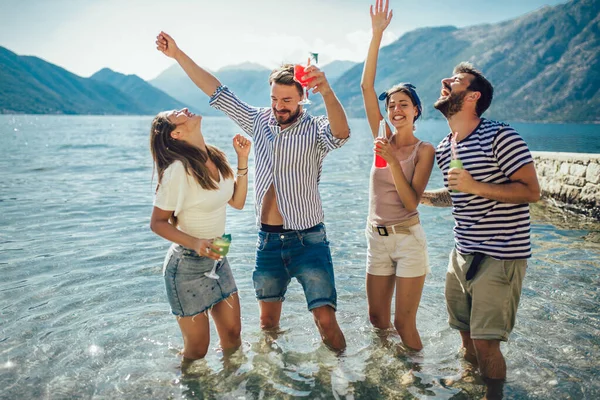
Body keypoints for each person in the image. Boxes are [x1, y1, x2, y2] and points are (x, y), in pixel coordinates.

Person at [155, 31, 350, 351]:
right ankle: (273, 381)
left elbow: (341, 132)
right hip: (268, 241)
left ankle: (343, 377)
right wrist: (178, 54)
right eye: (274, 99)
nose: (278, 106)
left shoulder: (315, 129)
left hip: (309, 239)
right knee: (267, 325)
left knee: (326, 321)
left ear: (302, 97)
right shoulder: (259, 120)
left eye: (287, 100)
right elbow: (217, 91)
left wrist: (327, 91)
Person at [421, 62, 541, 399]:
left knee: (487, 344)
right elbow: (457, 194)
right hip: (461, 255)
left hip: (501, 255)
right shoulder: (446, 146)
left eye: (455, 80)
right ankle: (469, 385)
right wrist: (417, 196)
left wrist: (475, 185)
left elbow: (532, 191)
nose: (445, 81)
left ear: (473, 96)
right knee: (464, 335)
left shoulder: (501, 135)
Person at [360, 0, 435, 351]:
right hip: (377, 238)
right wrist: (376, 35)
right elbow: (365, 87)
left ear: (416, 110)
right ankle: (390, 374)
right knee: (377, 320)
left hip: (408, 239)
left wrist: (390, 160)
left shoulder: (424, 151)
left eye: (403, 104)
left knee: (404, 323)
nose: (395, 109)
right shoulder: (382, 136)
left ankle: (417, 376)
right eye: (391, 105)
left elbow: (411, 201)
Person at [149, 107, 251, 362]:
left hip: (218, 258)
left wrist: (242, 160)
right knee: (197, 350)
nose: (184, 109)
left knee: (233, 335)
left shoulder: (215, 156)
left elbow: (237, 203)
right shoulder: (177, 171)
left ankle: (233, 387)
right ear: (176, 133)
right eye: (176, 114)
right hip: (186, 267)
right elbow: (158, 223)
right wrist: (196, 243)